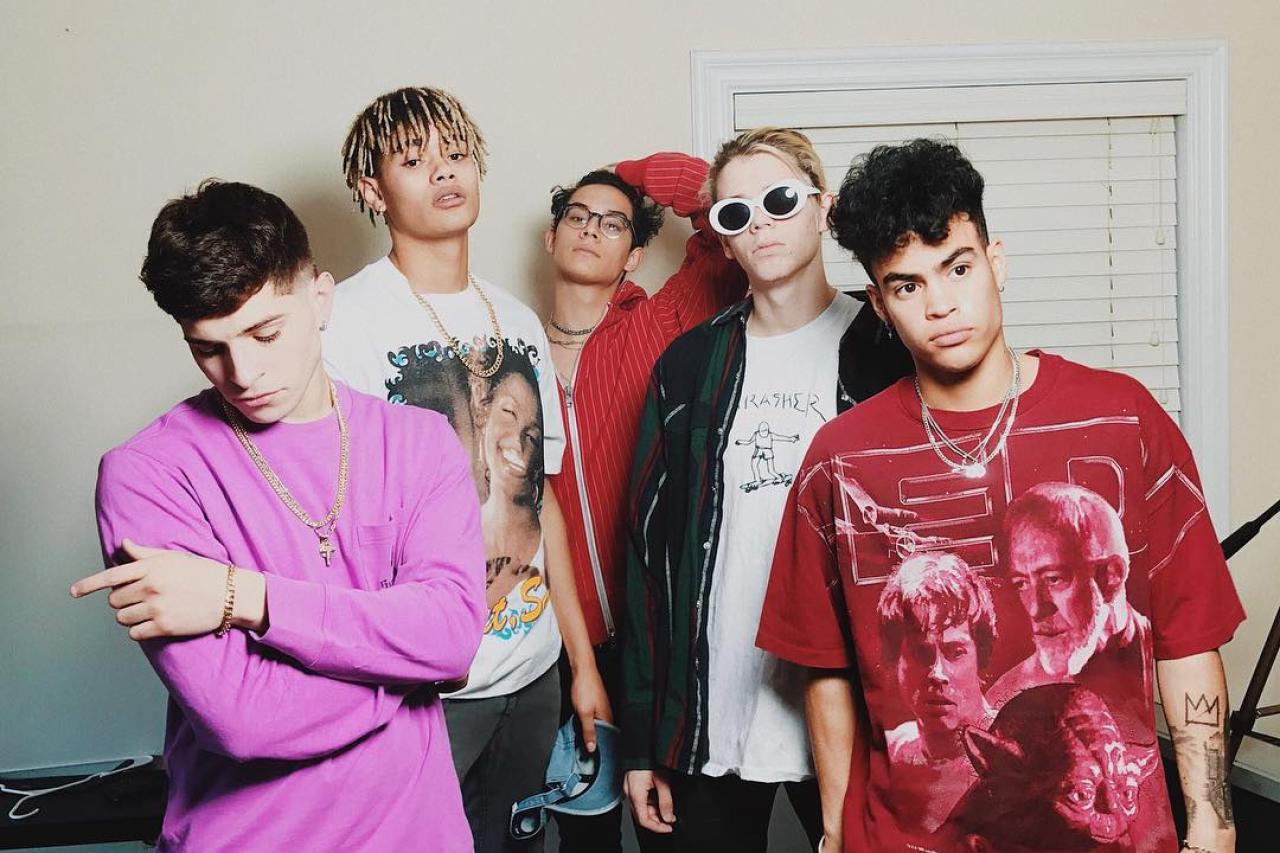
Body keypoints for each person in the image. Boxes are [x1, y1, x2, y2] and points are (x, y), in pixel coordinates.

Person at [757, 138, 1245, 852]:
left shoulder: (1123, 419)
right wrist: (834, 834)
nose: (941, 304)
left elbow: (1187, 636)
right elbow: (824, 665)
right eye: (907, 285)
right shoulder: (840, 459)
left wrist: (1214, 823)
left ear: (997, 262)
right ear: (881, 305)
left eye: (957, 268)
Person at [71, 180, 485, 851]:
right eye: (208, 347)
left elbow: (452, 632)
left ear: (320, 299)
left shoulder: (420, 441)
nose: (242, 372)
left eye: (265, 332)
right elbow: (245, 718)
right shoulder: (146, 475)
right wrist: (412, 667)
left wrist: (247, 597)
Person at [322, 85, 608, 853]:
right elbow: (333, 523)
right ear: (373, 189)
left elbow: (543, 500)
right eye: (414, 161)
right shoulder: (343, 323)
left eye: (455, 154)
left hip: (533, 671)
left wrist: (581, 664)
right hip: (422, 685)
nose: (444, 171)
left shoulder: (517, 319)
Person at [622, 127, 912, 852]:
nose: (760, 224)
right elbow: (647, 557)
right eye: (735, 212)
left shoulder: (892, 350)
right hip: (713, 718)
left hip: (862, 717)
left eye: (780, 200)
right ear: (721, 240)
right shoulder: (688, 366)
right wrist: (643, 739)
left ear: (824, 208)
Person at [540, 152, 748, 851]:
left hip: (659, 641)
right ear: (551, 237)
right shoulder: (510, 350)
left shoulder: (664, 323)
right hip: (556, 645)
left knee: (673, 831)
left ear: (634, 256)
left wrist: (621, 171)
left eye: (612, 222)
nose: (590, 229)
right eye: (577, 215)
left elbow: (721, 218)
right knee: (583, 839)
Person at [876, 551, 997, 833]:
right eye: (921, 653)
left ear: (980, 656)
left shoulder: (1021, 753)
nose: (937, 673)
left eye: (955, 652)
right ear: (895, 663)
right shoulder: (891, 751)